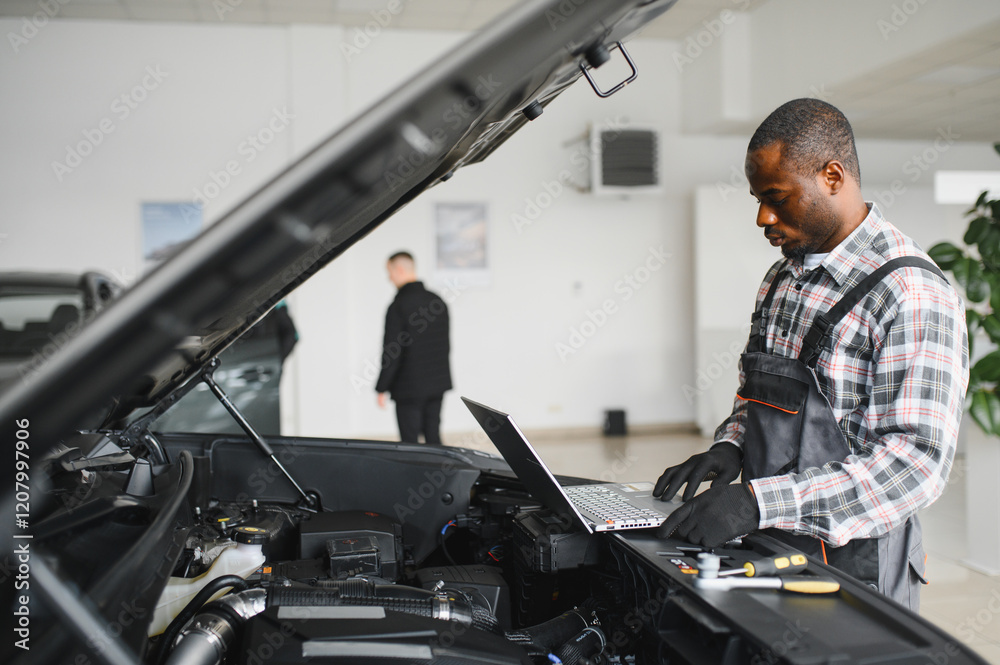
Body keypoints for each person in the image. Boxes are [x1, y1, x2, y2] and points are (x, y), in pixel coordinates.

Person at [653, 98, 969, 610]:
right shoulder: (781, 278)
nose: (763, 217)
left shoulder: (911, 292)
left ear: (832, 176)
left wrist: (757, 502)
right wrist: (731, 446)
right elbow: (759, 392)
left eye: (776, 197)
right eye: (757, 199)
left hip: (856, 567)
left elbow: (914, 465)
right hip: (769, 544)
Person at [375, 251, 452, 444]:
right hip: (437, 384)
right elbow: (445, 347)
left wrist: (382, 386)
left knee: (410, 444)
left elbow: (392, 351)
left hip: (408, 388)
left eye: (389, 272)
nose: (389, 278)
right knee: (433, 437)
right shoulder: (437, 302)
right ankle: (438, 465)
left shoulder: (398, 306)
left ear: (399, 269)